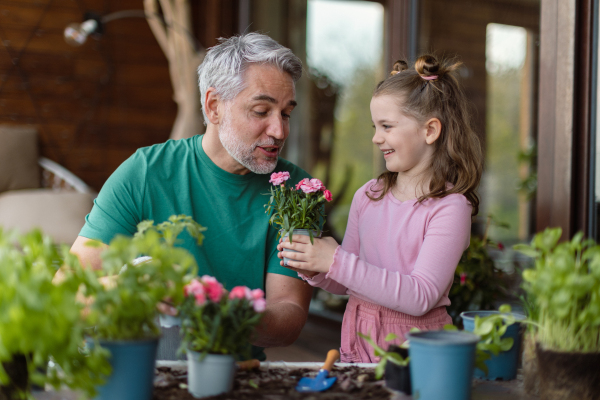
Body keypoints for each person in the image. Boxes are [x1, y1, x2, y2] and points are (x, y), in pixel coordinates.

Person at [68, 33, 314, 361]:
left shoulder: (300, 192)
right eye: (261, 111)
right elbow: (69, 293)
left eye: (285, 113)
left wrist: (222, 311)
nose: (279, 131)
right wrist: (127, 290)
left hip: (236, 372)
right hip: (142, 368)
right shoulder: (145, 173)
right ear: (214, 106)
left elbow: (290, 315)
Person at [278, 55, 484, 363]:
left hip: (416, 353)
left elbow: (420, 297)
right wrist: (315, 268)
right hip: (356, 343)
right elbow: (346, 279)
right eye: (375, 126)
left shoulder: (450, 207)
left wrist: (334, 259)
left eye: (387, 126)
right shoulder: (368, 195)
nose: (376, 138)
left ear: (430, 131)